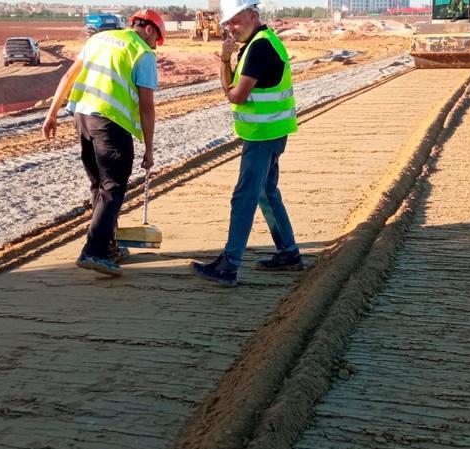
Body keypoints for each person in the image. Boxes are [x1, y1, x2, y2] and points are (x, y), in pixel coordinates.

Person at [42, 10, 165, 277]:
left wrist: (51, 114)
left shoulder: (99, 40)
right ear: (150, 30)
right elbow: (147, 107)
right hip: (110, 125)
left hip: (82, 118)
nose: (155, 45)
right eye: (157, 39)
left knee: (99, 186)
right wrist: (149, 148)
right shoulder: (142, 53)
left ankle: (108, 247)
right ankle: (94, 252)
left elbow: (67, 78)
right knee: (113, 188)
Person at [190, 0, 301, 287]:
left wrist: (227, 71)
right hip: (270, 132)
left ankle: (229, 265)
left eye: (236, 21)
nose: (230, 28)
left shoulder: (260, 47)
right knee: (266, 191)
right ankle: (288, 252)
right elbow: (230, 89)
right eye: (227, 23)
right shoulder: (258, 44)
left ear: (253, 15)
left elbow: (235, 95)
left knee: (245, 196)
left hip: (262, 135)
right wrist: (224, 60)